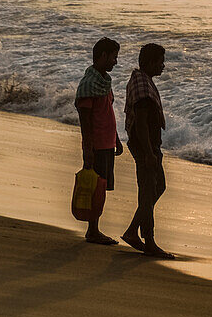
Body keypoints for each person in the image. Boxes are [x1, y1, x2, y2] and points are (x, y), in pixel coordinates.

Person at [122, 43, 174, 259]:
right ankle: (148, 240)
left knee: (156, 187)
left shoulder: (142, 81)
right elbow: (142, 123)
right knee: (148, 190)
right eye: (160, 61)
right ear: (151, 62)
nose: (163, 66)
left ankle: (133, 231)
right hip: (146, 146)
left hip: (148, 146)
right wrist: (149, 153)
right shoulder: (143, 87)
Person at [74, 36, 123, 245]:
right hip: (97, 145)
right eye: (113, 57)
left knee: (101, 187)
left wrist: (117, 139)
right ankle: (93, 231)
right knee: (96, 188)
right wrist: (88, 148)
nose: (115, 62)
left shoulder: (104, 82)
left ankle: (94, 229)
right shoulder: (88, 83)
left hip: (107, 142)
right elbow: (85, 119)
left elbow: (108, 111)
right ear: (103, 55)